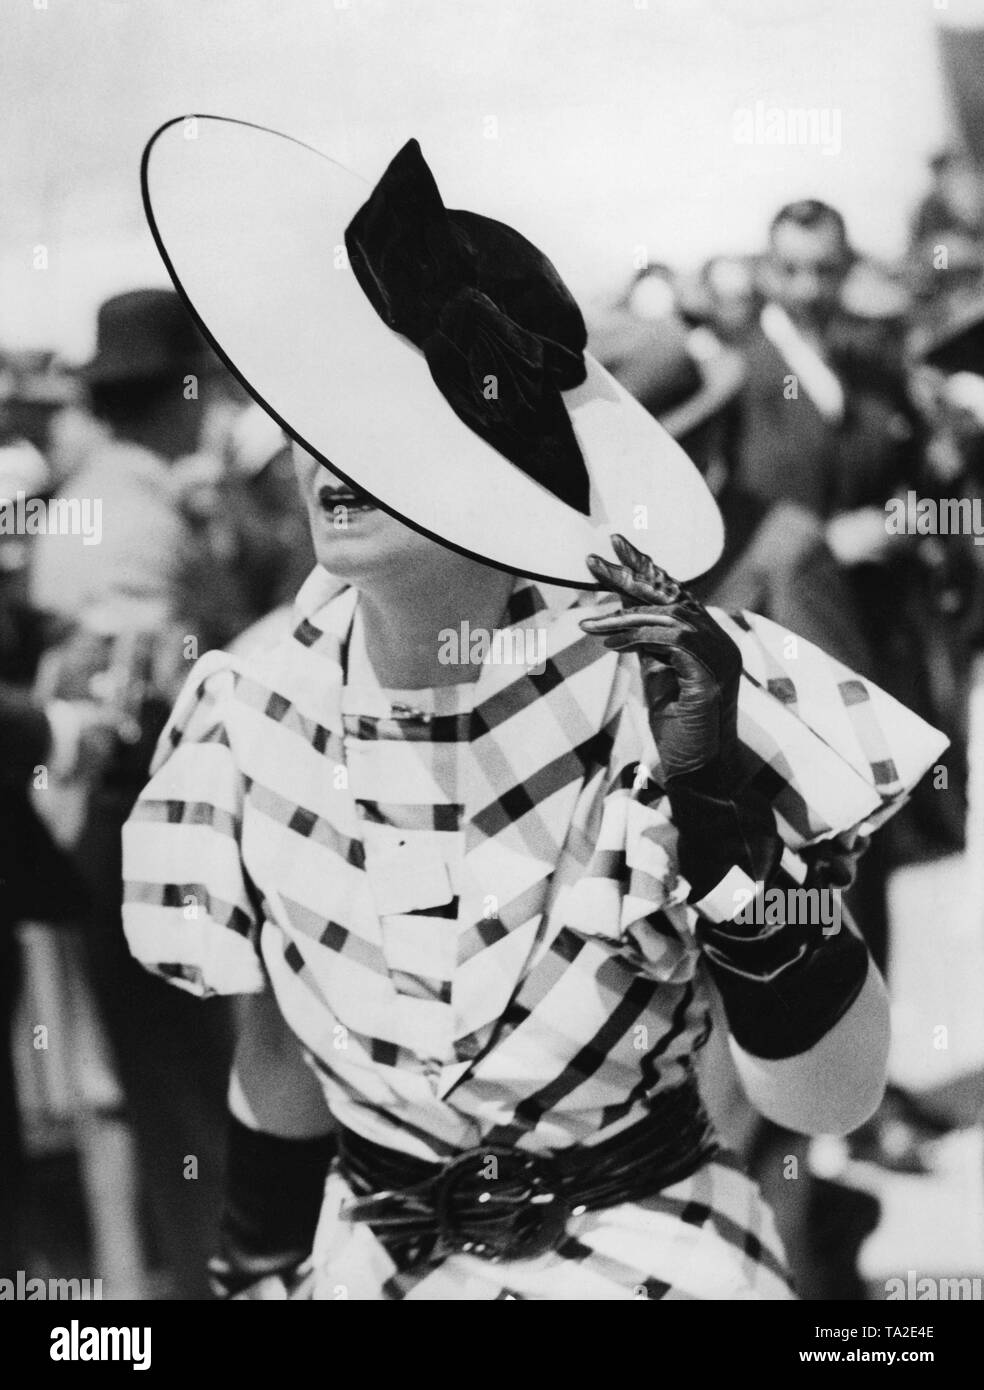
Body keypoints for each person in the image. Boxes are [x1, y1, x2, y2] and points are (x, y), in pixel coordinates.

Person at [122, 122, 945, 1299]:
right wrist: (254, 1264)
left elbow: (829, 1093)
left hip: (652, 1264)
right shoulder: (244, 712)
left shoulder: (663, 690)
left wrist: (726, 829)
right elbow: (279, 1066)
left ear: (506, 445)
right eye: (321, 401)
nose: (332, 450)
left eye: (396, 410)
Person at [29, 288, 237, 1298]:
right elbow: (185, 676)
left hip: (65, 814)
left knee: (124, 1085)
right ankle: (213, 1278)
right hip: (140, 808)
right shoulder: (155, 508)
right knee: (198, 1083)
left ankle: (134, 1287)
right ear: (181, 392)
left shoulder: (80, 494)